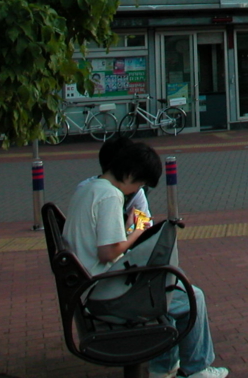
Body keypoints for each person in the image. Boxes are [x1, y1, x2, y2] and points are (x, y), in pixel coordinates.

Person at [64, 137, 228, 378]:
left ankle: (166, 368)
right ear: (130, 173)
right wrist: (138, 230)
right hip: (104, 295)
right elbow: (108, 251)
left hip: (86, 289)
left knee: (166, 292)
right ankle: (197, 370)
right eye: (140, 183)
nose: (138, 190)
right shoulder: (111, 196)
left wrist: (129, 228)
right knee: (193, 296)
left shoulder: (88, 188)